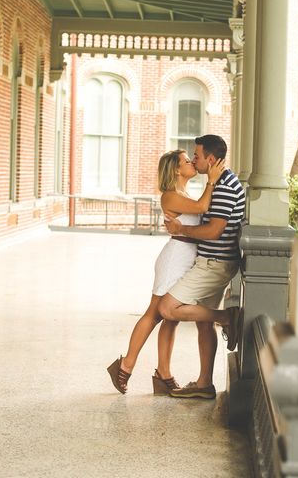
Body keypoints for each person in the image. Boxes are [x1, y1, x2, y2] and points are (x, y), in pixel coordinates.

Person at [107, 148, 225, 395]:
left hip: (186, 257)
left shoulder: (184, 192)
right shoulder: (170, 196)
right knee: (154, 313)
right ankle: (125, 366)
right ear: (175, 169)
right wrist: (211, 180)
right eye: (185, 160)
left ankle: (164, 373)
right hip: (175, 258)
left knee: (171, 317)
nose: (192, 162)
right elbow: (203, 207)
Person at [158, 134, 245, 400]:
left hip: (213, 264)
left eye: (196, 156)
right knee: (202, 323)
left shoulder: (225, 187)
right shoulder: (218, 182)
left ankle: (227, 317)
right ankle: (204, 384)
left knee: (167, 308)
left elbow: (214, 231)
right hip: (211, 261)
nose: (194, 161)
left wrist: (180, 228)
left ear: (210, 158)